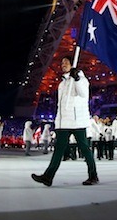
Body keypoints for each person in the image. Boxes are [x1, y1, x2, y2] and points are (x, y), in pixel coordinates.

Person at [31, 55, 98, 187]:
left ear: (73, 63)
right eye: (62, 63)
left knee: (85, 149)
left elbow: (84, 94)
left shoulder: (82, 79)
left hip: (77, 121)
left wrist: (77, 78)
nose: (63, 64)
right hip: (63, 122)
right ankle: (48, 177)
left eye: (66, 62)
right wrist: (58, 122)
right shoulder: (62, 83)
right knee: (58, 150)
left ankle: (93, 175)